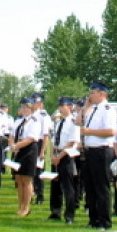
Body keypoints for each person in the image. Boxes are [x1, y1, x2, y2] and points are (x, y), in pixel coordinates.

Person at [80, 80, 116, 230]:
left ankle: (104, 220)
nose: (91, 95)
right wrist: (86, 106)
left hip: (102, 150)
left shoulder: (108, 110)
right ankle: (93, 218)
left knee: (101, 187)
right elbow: (78, 121)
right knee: (90, 186)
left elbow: (111, 131)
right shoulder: (92, 109)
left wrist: (90, 132)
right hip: (90, 150)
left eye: (93, 93)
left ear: (102, 94)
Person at [48, 96, 81, 224]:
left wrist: (59, 156)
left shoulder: (73, 122)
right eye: (60, 106)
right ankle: (55, 211)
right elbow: (53, 140)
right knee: (55, 185)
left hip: (66, 155)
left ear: (70, 107)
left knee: (68, 186)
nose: (61, 108)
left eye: (63, 106)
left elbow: (72, 141)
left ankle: (69, 215)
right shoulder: (58, 122)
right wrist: (52, 156)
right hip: (57, 153)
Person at [8, 97, 41, 217]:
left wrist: (16, 146)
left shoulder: (35, 121)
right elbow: (12, 134)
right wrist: (12, 144)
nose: (24, 109)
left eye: (27, 107)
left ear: (31, 108)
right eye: (22, 107)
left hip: (29, 150)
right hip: (18, 150)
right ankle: (20, 205)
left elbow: (31, 138)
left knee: (26, 179)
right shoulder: (18, 121)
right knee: (19, 178)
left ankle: (26, 207)